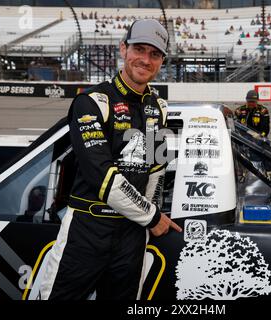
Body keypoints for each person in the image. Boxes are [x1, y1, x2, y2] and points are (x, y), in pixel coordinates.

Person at [40, 19, 182, 301]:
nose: (145, 59)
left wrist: (147, 218)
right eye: (138, 49)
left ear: (162, 61)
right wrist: (151, 216)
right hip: (87, 229)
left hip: (132, 234)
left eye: (154, 54)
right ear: (123, 49)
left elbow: (157, 169)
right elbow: (102, 176)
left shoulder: (159, 108)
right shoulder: (91, 102)